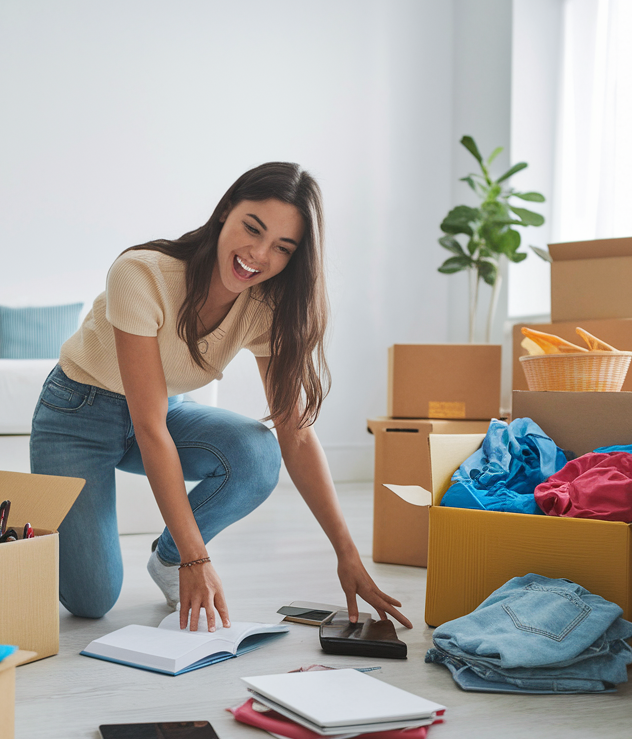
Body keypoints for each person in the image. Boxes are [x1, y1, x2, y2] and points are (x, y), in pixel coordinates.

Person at [30, 162, 411, 633]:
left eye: (282, 248)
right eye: (253, 228)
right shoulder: (140, 274)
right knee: (92, 601)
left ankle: (165, 558)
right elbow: (150, 431)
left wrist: (347, 554)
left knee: (257, 451)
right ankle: (45, 533)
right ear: (226, 210)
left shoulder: (265, 307)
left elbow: (295, 433)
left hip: (161, 410)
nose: (258, 254)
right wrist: (198, 561)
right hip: (78, 416)